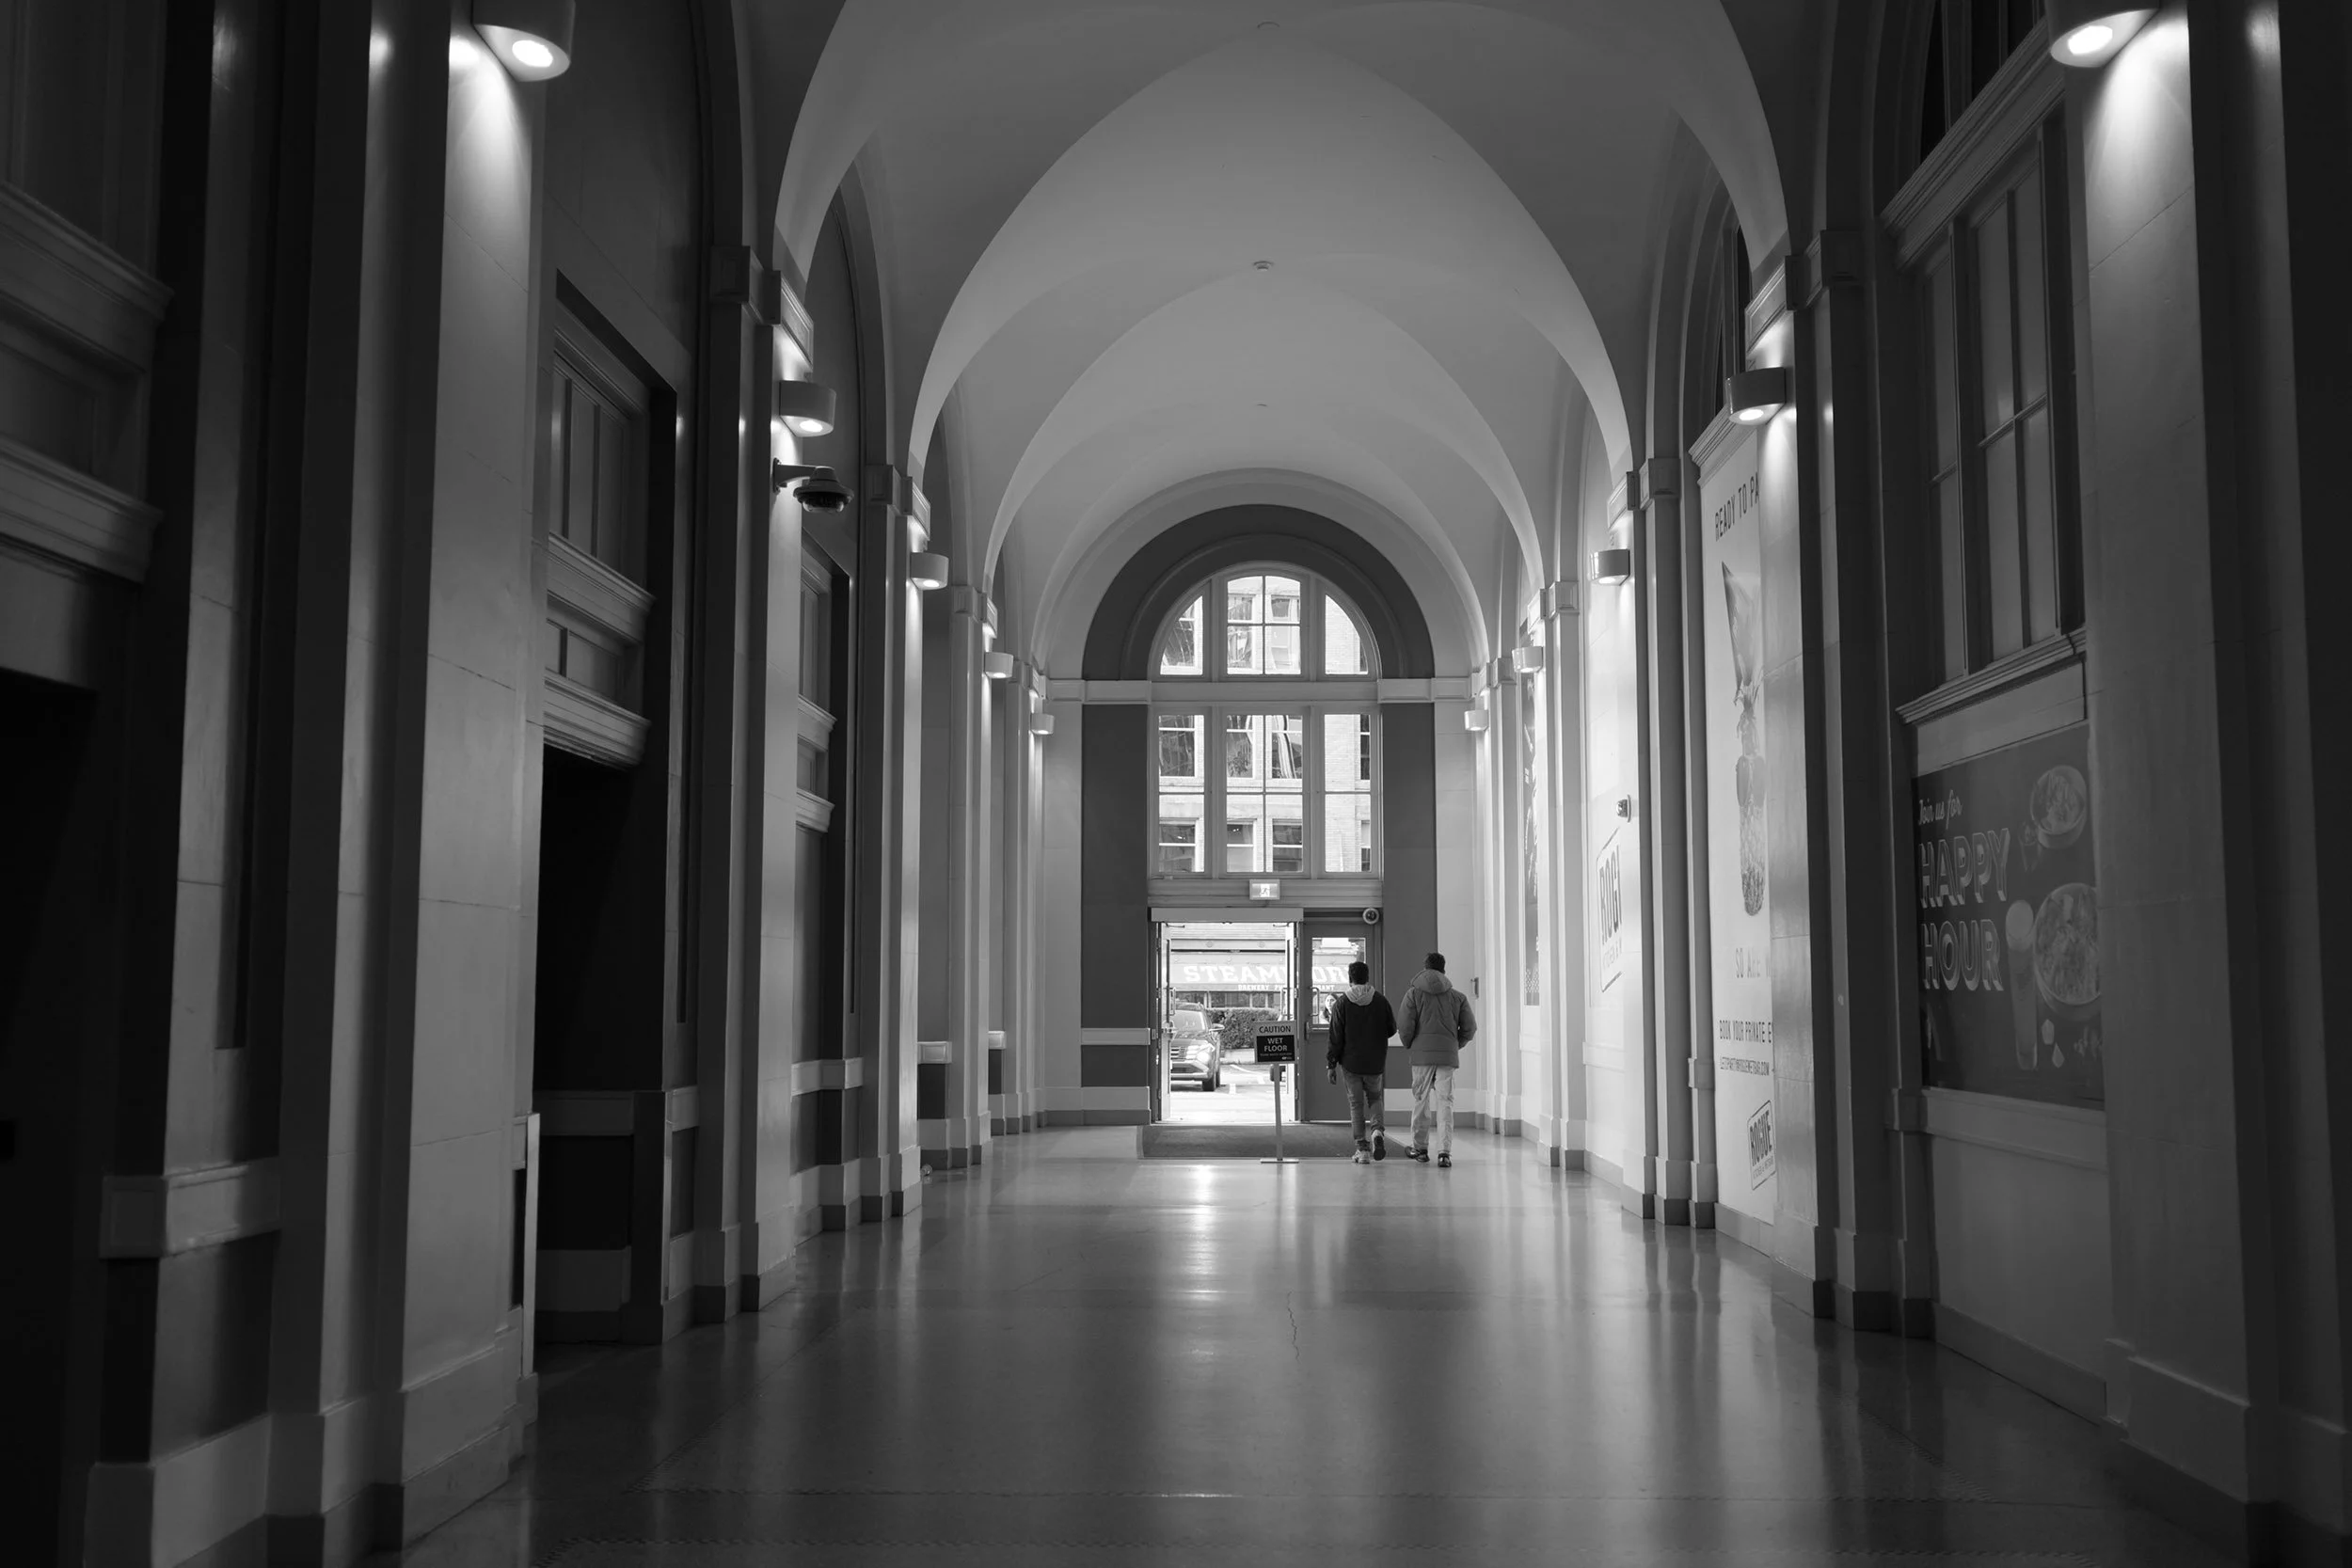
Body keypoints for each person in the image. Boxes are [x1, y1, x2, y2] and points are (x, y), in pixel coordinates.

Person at [1398, 951, 1476, 1167]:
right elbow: (1470, 1028)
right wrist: (1454, 1045)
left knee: (1421, 1101)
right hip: (1447, 1057)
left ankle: (1420, 1149)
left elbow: (1404, 1026)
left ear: (1425, 968)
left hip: (1421, 1057)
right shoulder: (1457, 997)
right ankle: (1444, 1153)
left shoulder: (1413, 995)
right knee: (1445, 1103)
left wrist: (1411, 1045)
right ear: (1444, 970)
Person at [1325, 960, 1396, 1164]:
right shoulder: (1381, 1001)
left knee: (1356, 1105)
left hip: (1351, 1063)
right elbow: (1392, 1029)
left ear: (1350, 979)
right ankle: (1377, 1132)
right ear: (1368, 977)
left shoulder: (1342, 1004)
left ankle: (1362, 1150)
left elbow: (1335, 1037)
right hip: (1375, 1062)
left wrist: (1331, 1064)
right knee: (1375, 1098)